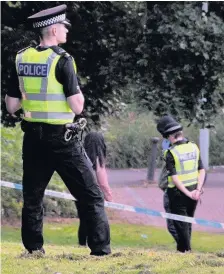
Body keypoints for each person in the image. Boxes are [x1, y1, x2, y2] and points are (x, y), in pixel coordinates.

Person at [5, 4, 111, 256]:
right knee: (91, 195)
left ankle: (33, 249)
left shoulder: (22, 58)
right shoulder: (62, 60)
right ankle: (101, 250)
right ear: (53, 29)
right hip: (62, 139)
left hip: (33, 138)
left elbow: (11, 106)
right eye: (64, 27)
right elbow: (77, 106)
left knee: (33, 197)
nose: (66, 32)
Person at [157, 116, 206, 253]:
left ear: (170, 137)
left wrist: (188, 192)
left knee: (180, 224)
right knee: (187, 223)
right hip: (193, 192)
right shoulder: (193, 147)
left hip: (178, 194)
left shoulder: (171, 153)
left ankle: (185, 252)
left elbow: (175, 178)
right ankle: (184, 251)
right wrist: (198, 189)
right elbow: (202, 170)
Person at [75, 132, 113, 246]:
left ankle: (82, 243)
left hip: (79, 193)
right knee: (96, 220)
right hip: (93, 194)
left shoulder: (80, 156)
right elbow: (102, 182)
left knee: (83, 220)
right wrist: (109, 197)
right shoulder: (98, 160)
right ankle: (96, 243)